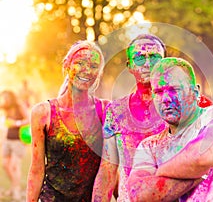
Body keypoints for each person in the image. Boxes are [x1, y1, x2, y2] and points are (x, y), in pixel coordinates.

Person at [127, 57, 213, 201]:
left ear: (196, 92)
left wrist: (160, 171)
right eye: (158, 92)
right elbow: (138, 195)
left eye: (174, 89)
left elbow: (205, 154)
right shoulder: (149, 146)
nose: (166, 99)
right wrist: (198, 172)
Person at [26, 40, 109, 201]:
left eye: (93, 66)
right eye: (80, 63)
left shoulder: (105, 111)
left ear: (99, 72)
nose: (86, 71)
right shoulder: (43, 113)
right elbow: (36, 169)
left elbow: (110, 170)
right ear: (66, 65)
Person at [92, 34, 169, 201]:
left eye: (155, 57)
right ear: (130, 66)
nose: (148, 64)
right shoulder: (116, 112)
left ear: (165, 62)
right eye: (140, 58)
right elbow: (107, 171)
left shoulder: (180, 106)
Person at [0, 90, 29, 200]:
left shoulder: (19, 105)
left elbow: (28, 119)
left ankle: (16, 190)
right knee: (5, 165)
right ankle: (13, 186)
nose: (4, 100)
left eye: (6, 98)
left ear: (11, 97)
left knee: (14, 166)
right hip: (8, 139)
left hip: (19, 140)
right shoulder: (6, 108)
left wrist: (16, 123)